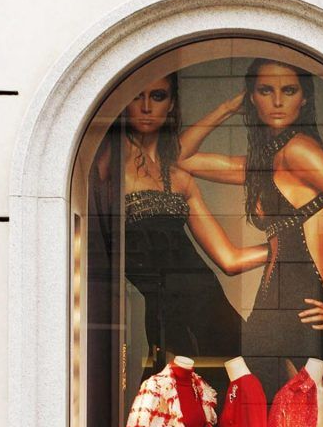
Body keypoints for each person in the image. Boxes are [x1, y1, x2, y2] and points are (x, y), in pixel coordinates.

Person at [178, 59, 323, 427]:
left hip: (302, 310)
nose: (276, 100)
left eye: (288, 90)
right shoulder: (264, 161)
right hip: (269, 314)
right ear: (252, 98)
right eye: (263, 91)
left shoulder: (300, 151)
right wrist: (230, 106)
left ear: (304, 98)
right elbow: (181, 158)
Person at [92, 73, 268, 376]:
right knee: (174, 408)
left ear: (171, 105)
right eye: (136, 96)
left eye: (158, 96)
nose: (146, 106)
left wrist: (280, 245)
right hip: (164, 311)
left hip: (210, 302)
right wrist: (225, 108)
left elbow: (228, 259)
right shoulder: (109, 161)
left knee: (239, 398)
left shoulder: (178, 177)